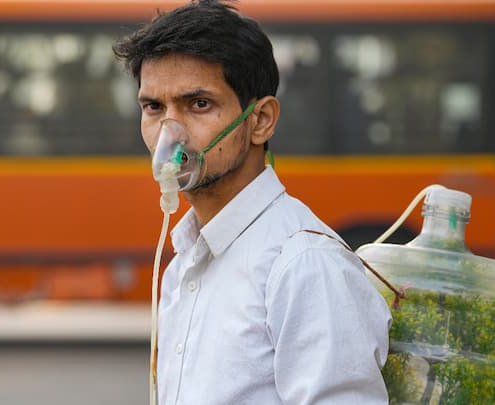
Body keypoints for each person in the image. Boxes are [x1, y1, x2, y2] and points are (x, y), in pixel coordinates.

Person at [113, 1, 391, 403]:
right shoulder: (185, 261)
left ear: (260, 120)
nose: (169, 133)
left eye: (199, 104)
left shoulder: (303, 264)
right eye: (153, 107)